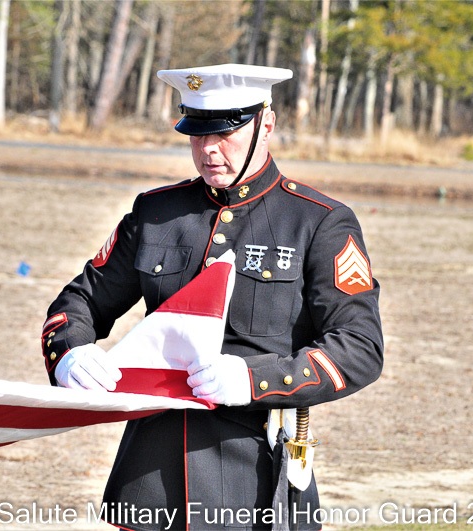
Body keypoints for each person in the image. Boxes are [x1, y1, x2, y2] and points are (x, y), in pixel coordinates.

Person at [42, 63, 383, 530]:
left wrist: (254, 380)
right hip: (147, 481)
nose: (208, 150)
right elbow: (78, 303)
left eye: (225, 132)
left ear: (266, 124)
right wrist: (70, 354)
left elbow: (359, 347)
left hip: (254, 477)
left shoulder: (317, 221)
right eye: (197, 134)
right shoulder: (157, 212)